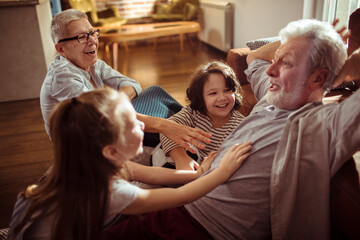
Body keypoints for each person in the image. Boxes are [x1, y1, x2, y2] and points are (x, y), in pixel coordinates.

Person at [103, 19, 360, 239]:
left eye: (286, 64)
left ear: (319, 78)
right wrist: (312, 35)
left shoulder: (324, 125)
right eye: (277, 59)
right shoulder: (272, 96)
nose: (271, 70)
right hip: (179, 202)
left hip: (205, 230)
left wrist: (344, 67)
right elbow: (253, 58)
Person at [8, 88, 252, 239]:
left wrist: (199, 173)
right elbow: (182, 197)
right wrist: (221, 172)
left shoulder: (90, 165)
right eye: (134, 124)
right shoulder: (109, 191)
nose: (145, 125)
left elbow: (157, 175)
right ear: (112, 150)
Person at [40, 9, 211, 152]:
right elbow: (98, 117)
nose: (92, 40)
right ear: (61, 49)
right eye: (81, 37)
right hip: (90, 145)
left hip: (106, 123)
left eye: (92, 33)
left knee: (154, 92)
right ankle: (194, 137)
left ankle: (194, 129)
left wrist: (115, 102)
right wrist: (163, 125)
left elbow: (133, 85)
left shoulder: (92, 64)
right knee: (163, 121)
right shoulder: (63, 77)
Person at [156, 60, 244, 170]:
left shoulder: (241, 126)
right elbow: (167, 128)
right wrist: (181, 159)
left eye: (227, 90)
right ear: (201, 99)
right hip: (180, 168)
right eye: (213, 93)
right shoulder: (193, 113)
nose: (222, 98)